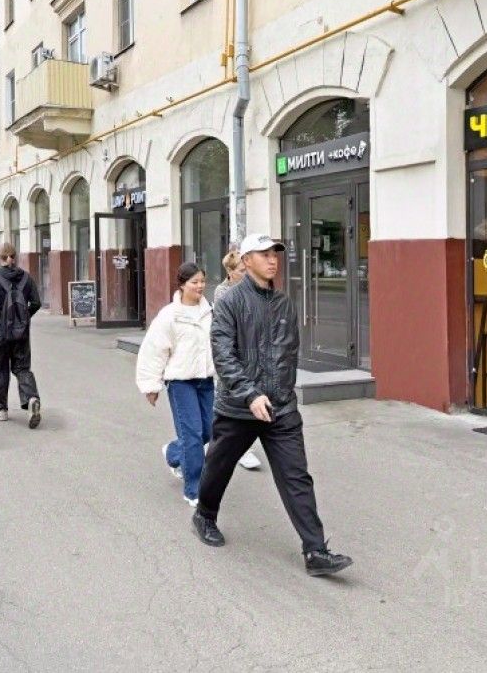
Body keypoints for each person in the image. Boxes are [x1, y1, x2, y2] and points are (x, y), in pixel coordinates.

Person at [192, 234, 353, 577]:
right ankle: (204, 515)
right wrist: (250, 394)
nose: (272, 260)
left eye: (275, 254)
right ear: (246, 260)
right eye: (264, 254)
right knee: (219, 466)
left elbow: (288, 353)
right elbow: (223, 354)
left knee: (296, 476)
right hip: (239, 407)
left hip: (280, 408)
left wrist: (282, 396)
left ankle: (315, 551)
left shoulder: (284, 304)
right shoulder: (230, 302)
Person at [136, 263, 215, 507]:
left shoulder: (210, 312)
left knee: (208, 431)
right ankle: (193, 490)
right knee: (192, 436)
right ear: (182, 284)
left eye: (202, 281)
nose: (200, 286)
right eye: (194, 282)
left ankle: (173, 452)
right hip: (181, 383)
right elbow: (154, 351)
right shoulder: (170, 315)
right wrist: (151, 386)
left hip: (206, 381)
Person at [212, 249, 261, 472]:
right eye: (242, 270)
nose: (246, 274)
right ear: (230, 272)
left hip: (252, 355)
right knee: (232, 402)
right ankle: (242, 450)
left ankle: (239, 446)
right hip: (232, 355)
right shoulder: (222, 292)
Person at [0, 242, 42, 428]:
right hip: (22, 332)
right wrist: (24, 318)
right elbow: (36, 302)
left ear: (0, 257)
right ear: (14, 257)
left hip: (1, 332)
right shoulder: (26, 277)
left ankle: (1, 410)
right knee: (23, 367)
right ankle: (31, 398)